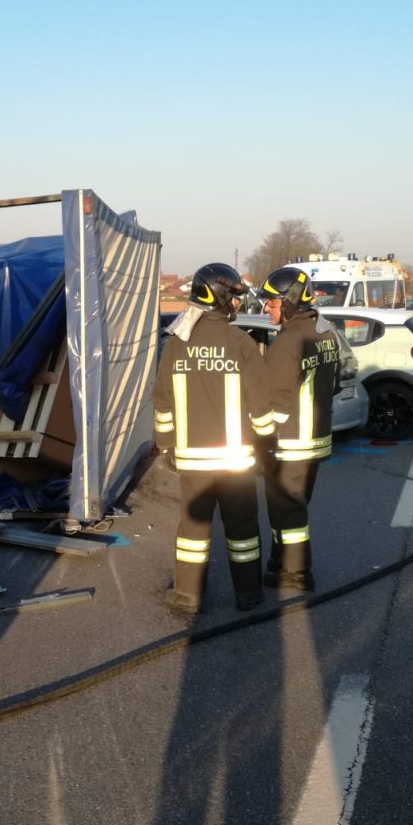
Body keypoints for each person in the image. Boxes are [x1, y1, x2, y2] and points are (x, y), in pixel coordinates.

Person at [152, 262, 274, 615]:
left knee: (193, 529)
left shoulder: (175, 344)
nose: (236, 304)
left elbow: (162, 400)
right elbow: (261, 404)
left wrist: (166, 445)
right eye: (234, 297)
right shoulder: (241, 344)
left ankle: (187, 596)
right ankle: (248, 594)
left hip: (193, 461)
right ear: (218, 295)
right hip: (236, 461)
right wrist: (266, 446)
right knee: (243, 530)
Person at [258, 267, 341, 592]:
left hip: (291, 443)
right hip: (316, 440)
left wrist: (261, 439)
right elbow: (333, 384)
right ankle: (279, 564)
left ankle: (296, 573)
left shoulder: (289, 341)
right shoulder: (325, 333)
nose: (266, 308)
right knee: (290, 508)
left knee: (288, 512)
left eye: (272, 302)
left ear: (290, 301)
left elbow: (274, 400)